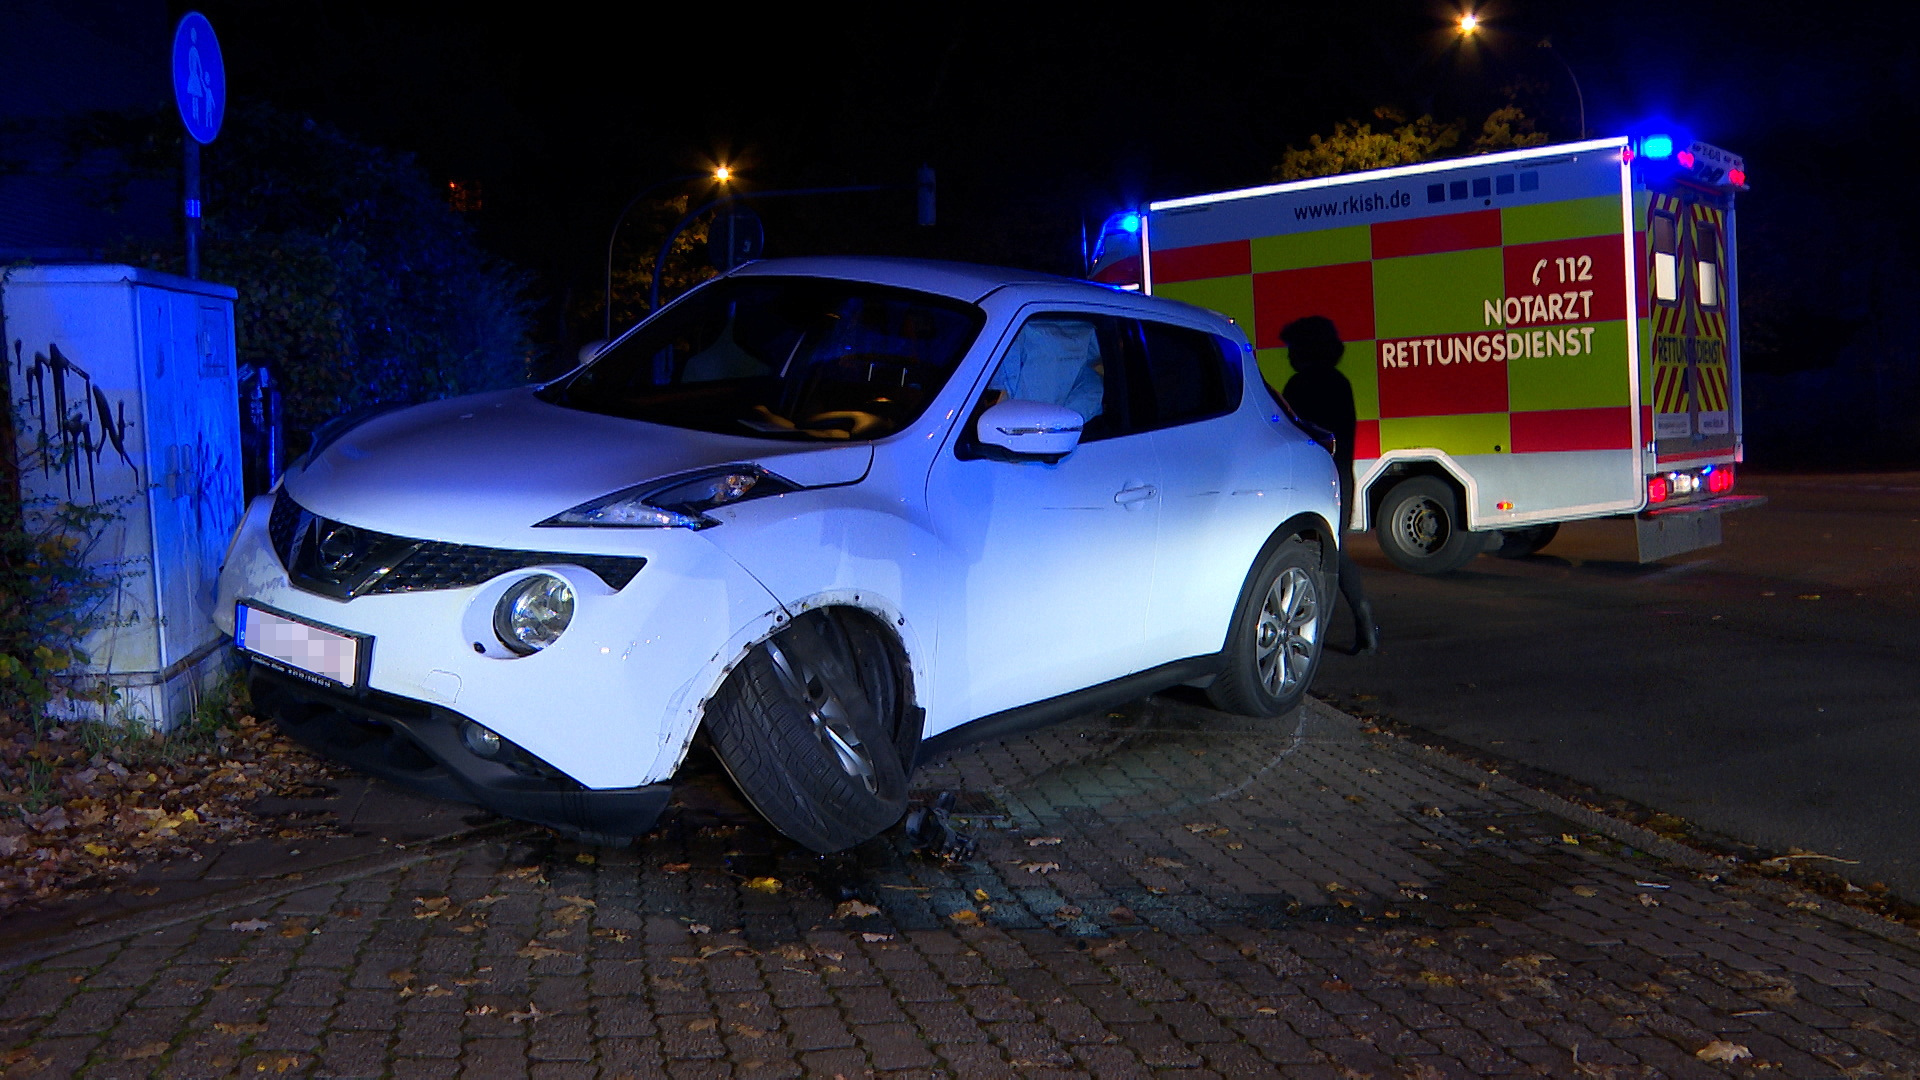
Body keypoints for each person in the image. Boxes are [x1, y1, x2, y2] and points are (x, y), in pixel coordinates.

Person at [1279, 315, 1380, 655]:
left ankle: (1309, 634)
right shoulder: (1340, 382)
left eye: (1292, 348)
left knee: (1312, 554)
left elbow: (1293, 433)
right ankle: (1364, 625)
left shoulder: (1299, 386)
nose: (1289, 356)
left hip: (1313, 479)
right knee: (1337, 552)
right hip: (1340, 476)